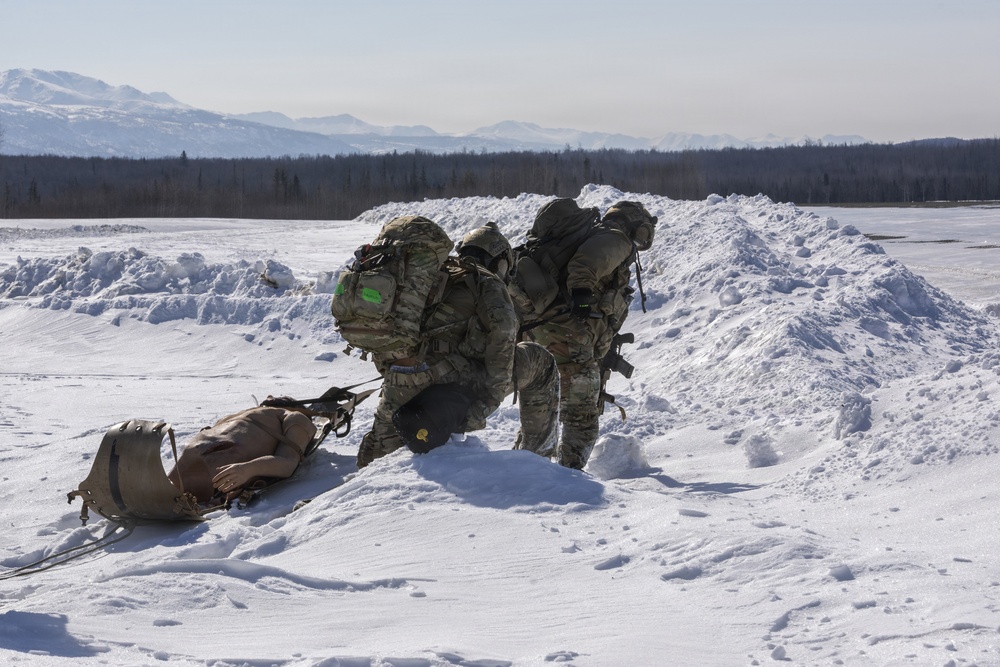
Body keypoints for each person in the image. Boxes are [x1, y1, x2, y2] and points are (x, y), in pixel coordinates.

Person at [356, 222, 519, 467]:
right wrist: (489, 400)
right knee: (539, 361)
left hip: (400, 376)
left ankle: (351, 497)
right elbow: (504, 334)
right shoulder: (487, 282)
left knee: (377, 452)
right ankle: (536, 463)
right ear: (499, 260)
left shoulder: (433, 274)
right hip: (447, 380)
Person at [520, 200, 657, 469]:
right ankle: (567, 481)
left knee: (547, 408)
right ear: (634, 225)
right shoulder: (616, 238)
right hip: (569, 335)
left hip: (549, 331)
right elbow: (584, 266)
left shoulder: (595, 236)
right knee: (581, 417)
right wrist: (581, 295)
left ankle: (528, 470)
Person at [167, 405, 317, 503]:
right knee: (175, 481)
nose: (269, 399)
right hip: (195, 455)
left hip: (224, 466)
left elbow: (288, 462)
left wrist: (248, 469)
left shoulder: (292, 416)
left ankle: (167, 491)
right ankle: (165, 489)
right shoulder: (233, 416)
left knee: (177, 483)